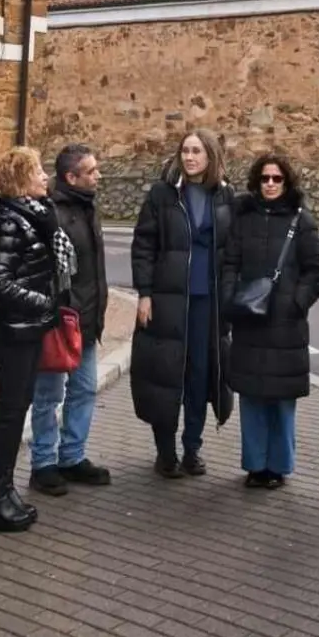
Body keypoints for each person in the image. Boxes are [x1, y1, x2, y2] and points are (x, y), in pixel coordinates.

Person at [0, 147, 73, 531]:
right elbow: (1, 283)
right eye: (38, 172)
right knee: (10, 411)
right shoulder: (11, 222)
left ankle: (3, 489)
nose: (46, 177)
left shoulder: (34, 215)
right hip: (16, 330)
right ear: (20, 180)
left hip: (29, 327)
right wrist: (44, 302)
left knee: (19, 408)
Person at [130, 129, 236, 478]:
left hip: (209, 304)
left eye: (197, 151)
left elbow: (233, 251)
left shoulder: (225, 196)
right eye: (185, 151)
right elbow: (144, 245)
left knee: (200, 376)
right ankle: (165, 452)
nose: (189, 157)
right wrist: (144, 293)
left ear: (210, 156)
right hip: (167, 300)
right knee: (166, 375)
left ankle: (192, 448)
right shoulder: (162, 195)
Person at [221, 154, 319, 487]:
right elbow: (229, 263)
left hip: (285, 324)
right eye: (265, 178)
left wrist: (298, 302)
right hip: (249, 318)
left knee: (281, 399)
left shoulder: (302, 220)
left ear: (287, 182)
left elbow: (316, 269)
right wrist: (230, 297)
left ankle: (278, 467)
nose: (270, 184)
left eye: (277, 178)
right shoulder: (244, 218)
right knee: (251, 396)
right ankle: (255, 465)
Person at [29, 143, 111, 496]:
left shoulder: (88, 207)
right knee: (48, 395)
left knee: (84, 390)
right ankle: (43, 462)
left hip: (88, 319)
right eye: (92, 171)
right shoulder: (51, 212)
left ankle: (72, 456)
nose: (98, 176)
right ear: (71, 177)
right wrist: (63, 308)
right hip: (60, 320)